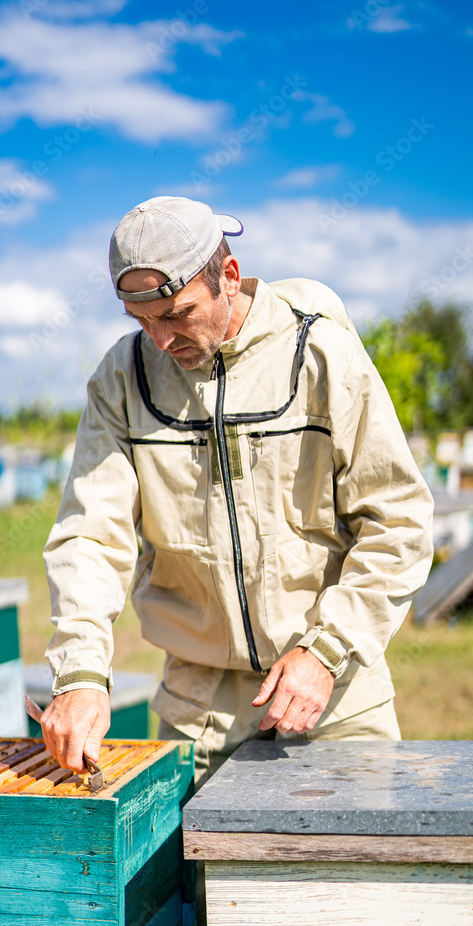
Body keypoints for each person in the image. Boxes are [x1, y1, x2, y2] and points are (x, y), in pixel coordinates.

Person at [40, 195, 434, 784]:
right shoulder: (123, 380)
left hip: (336, 692)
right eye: (141, 321)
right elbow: (92, 538)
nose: (161, 339)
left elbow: (398, 521)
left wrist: (327, 650)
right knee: (205, 878)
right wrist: (80, 674)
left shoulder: (323, 354)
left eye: (177, 314)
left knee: (355, 873)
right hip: (198, 711)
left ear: (228, 275)